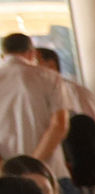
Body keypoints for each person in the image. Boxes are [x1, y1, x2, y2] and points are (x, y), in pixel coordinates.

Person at [0, 32, 67, 183]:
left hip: (6, 175)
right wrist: (33, 166)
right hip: (49, 171)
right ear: (32, 53)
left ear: (3, 54)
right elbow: (59, 125)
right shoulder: (50, 77)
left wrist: (7, 168)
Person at [33, 47, 95, 125]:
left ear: (51, 65)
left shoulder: (75, 91)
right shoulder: (32, 96)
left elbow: (94, 126)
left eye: (33, 63)